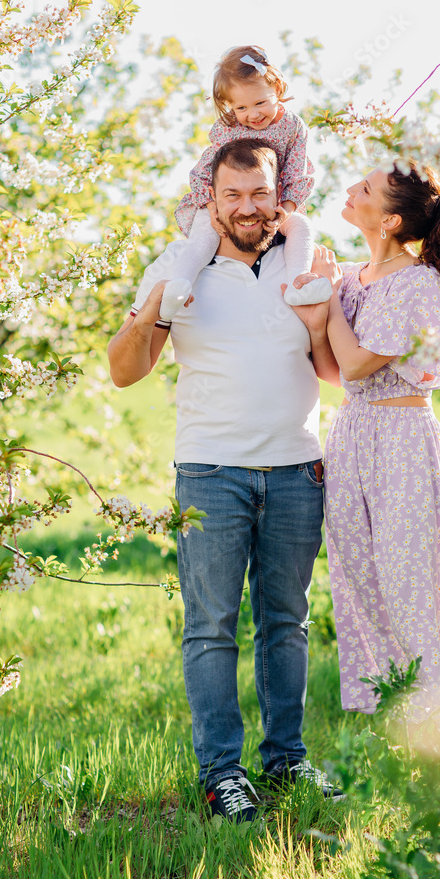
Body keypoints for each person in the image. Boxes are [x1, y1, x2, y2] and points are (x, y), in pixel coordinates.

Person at [107, 138, 345, 822]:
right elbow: (124, 370)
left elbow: (333, 366)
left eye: (259, 194)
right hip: (211, 473)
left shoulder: (306, 263)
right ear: (209, 196)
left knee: (286, 623)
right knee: (211, 627)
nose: (247, 208)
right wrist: (155, 307)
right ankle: (220, 774)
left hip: (298, 469)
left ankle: (287, 761)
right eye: (232, 195)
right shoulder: (178, 267)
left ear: (280, 193)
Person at [292, 163, 440, 727]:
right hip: (353, 433)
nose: (351, 191)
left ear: (390, 218)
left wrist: (325, 303)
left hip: (402, 438)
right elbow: (338, 373)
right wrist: (317, 319)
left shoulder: (417, 283)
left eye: (366, 190)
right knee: (358, 575)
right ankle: (392, 707)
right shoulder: (354, 278)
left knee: (411, 579)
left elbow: (356, 358)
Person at [140, 44, 331, 324]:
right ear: (229, 106)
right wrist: (211, 205)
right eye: (241, 107)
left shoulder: (292, 126)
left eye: (260, 103)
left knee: (302, 227)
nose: (252, 114)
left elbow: (296, 171)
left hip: (274, 201)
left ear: (277, 88)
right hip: (223, 201)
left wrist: (287, 210)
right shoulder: (228, 128)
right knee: (204, 232)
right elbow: (205, 170)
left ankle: (297, 283)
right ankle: (178, 286)